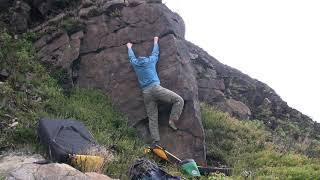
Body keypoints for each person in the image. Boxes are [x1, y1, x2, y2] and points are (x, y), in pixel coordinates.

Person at [127, 37, 184, 145]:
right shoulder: (150, 61)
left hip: (146, 93)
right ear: (146, 58)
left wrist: (129, 47)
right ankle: (172, 120)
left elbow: (131, 57)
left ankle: (156, 140)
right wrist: (155, 41)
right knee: (179, 100)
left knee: (152, 117)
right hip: (156, 88)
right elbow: (155, 52)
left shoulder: (136, 64)